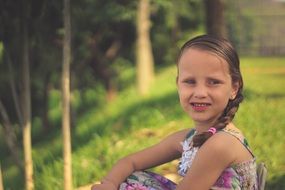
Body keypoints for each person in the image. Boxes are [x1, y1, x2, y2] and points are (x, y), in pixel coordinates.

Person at [91, 35, 258, 190]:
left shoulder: (221, 144)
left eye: (213, 82)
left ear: (234, 87)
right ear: (178, 84)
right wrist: (110, 184)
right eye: (190, 82)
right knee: (132, 178)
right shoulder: (190, 137)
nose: (200, 92)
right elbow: (131, 162)